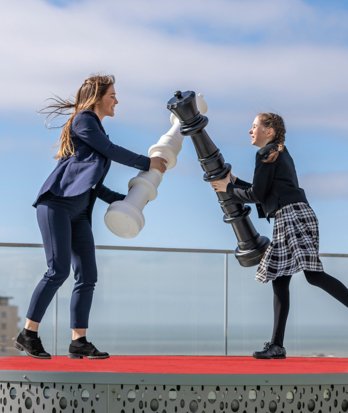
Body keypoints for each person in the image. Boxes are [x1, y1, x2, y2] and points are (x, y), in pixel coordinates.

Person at [15, 74, 167, 359]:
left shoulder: (94, 128)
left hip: (80, 211)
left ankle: (79, 341)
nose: (116, 100)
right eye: (112, 95)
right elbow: (110, 151)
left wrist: (125, 201)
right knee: (58, 270)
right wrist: (148, 163)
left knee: (88, 275)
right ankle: (28, 333)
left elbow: (93, 183)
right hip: (57, 204)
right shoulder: (84, 119)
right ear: (97, 98)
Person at [211, 112, 348, 359]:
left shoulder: (265, 153)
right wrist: (233, 181)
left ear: (270, 131)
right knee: (280, 277)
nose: (250, 131)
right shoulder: (277, 152)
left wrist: (228, 189)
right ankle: (277, 345)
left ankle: (276, 344)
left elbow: (258, 195)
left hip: (291, 216)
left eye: (254, 126)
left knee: (313, 276)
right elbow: (265, 189)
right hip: (294, 214)